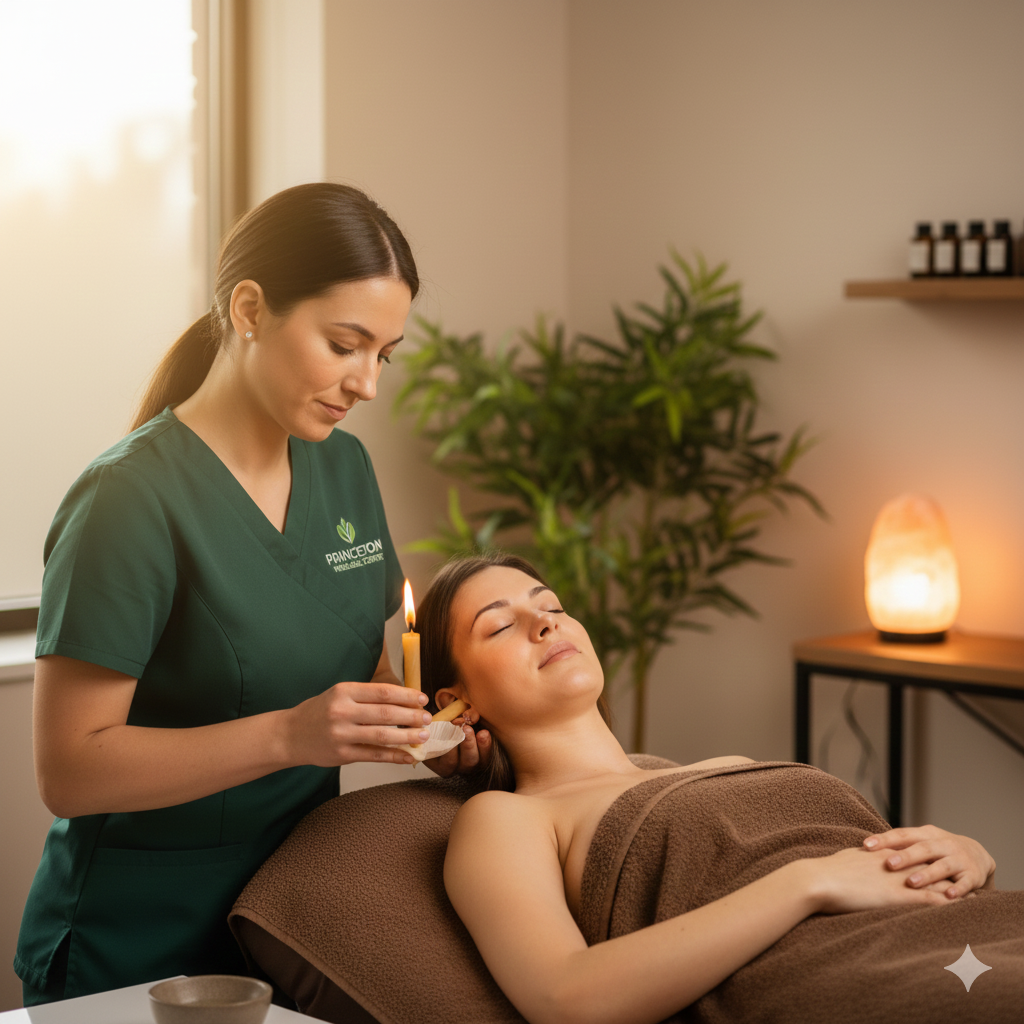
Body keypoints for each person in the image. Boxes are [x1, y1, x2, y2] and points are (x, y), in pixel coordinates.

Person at [15, 183, 487, 1005]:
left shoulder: (344, 470)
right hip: (140, 940)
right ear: (249, 308)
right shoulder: (129, 499)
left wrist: (423, 732)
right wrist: (291, 735)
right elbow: (71, 770)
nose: (368, 384)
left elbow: (363, 674)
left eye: (385, 353)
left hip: (290, 923)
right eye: (345, 344)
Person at [416, 553, 1018, 1024]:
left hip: (977, 931)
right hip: (866, 979)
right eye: (498, 626)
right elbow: (565, 997)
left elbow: (881, 874)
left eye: (551, 605)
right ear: (456, 704)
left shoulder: (725, 764)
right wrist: (810, 882)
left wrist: (965, 861)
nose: (544, 621)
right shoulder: (508, 817)